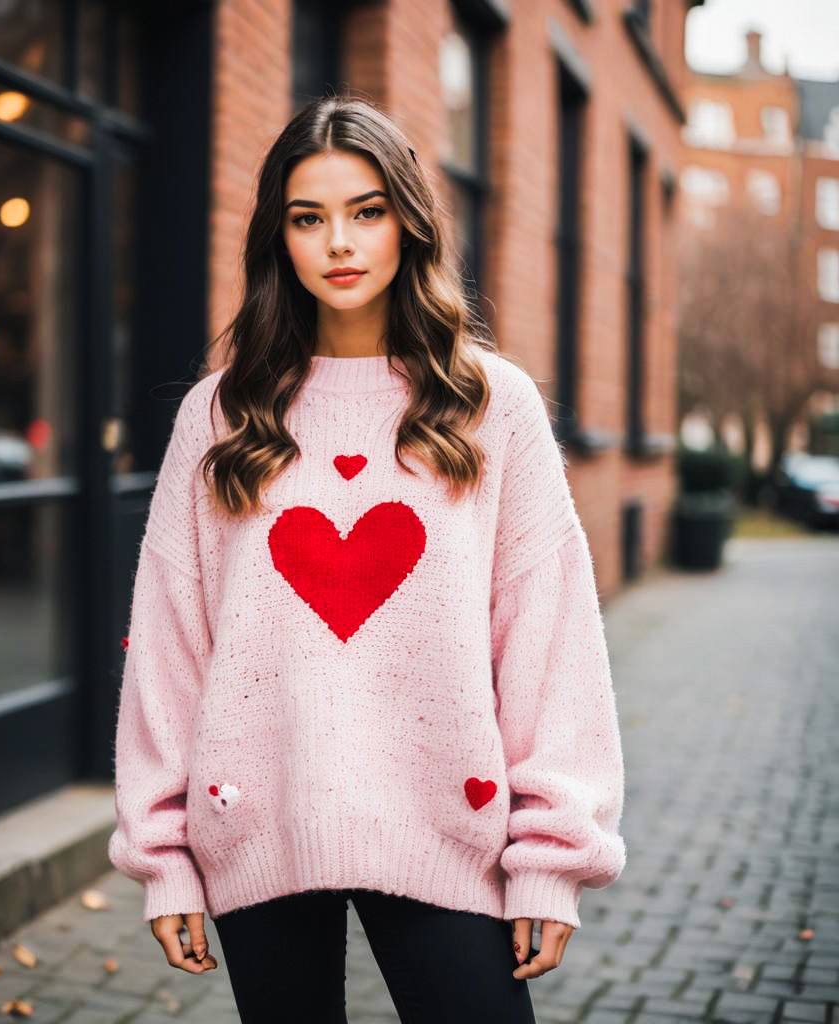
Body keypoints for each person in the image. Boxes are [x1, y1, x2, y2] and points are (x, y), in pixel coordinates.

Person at [107, 93, 627, 1024]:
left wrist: (552, 857)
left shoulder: (491, 405)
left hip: (447, 824)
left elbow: (548, 640)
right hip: (258, 818)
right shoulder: (220, 414)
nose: (339, 242)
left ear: (409, 224)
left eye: (367, 210)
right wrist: (162, 855)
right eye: (309, 218)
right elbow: (169, 641)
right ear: (279, 237)